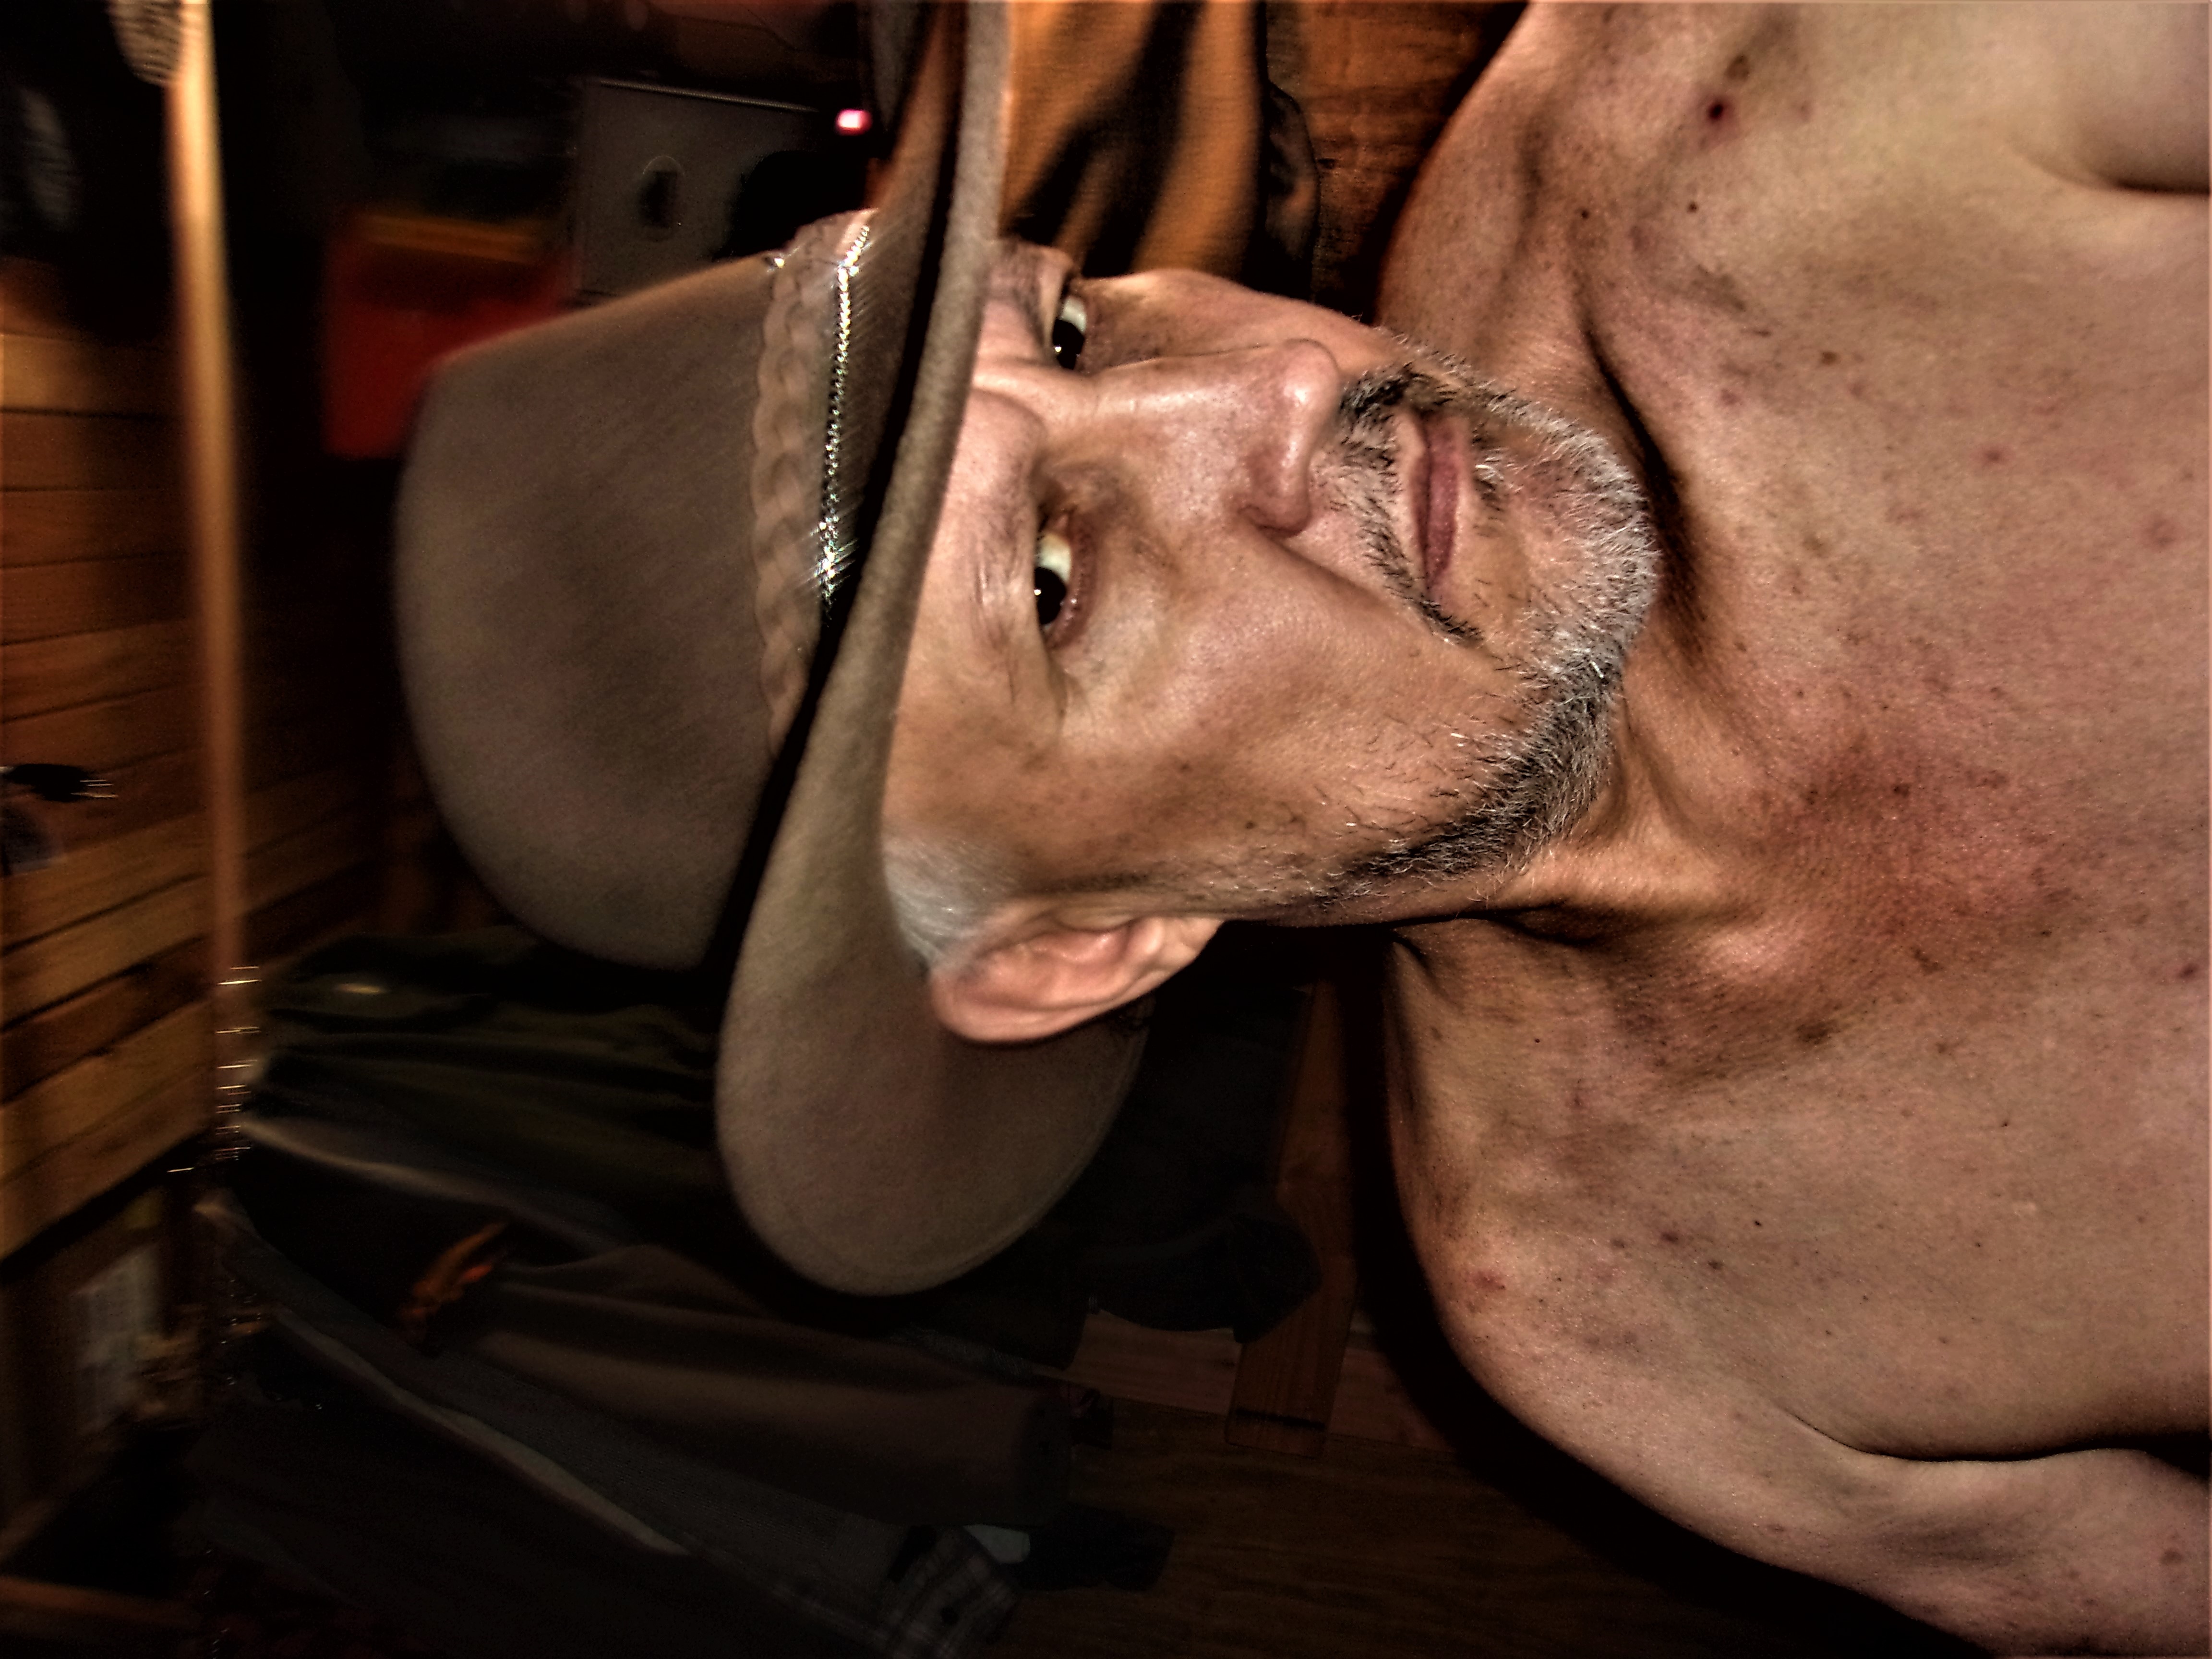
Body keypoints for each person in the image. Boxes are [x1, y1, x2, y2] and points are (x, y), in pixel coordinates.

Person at [873, 6, 2208, 1654]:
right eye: (1051, 583)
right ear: (1082, 943)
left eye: (1071, 329)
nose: (1286, 381)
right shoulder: (1623, 1323)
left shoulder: (1808, 99)